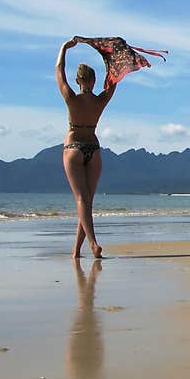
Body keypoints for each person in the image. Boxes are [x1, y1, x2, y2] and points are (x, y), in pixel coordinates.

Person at [56, 38, 117, 259]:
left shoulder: (71, 98)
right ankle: (76, 250)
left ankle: (93, 243)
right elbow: (114, 80)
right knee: (87, 202)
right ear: (94, 81)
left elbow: (59, 70)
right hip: (94, 147)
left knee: (81, 200)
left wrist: (64, 48)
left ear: (78, 80)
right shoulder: (100, 101)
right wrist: (109, 58)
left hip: (73, 147)